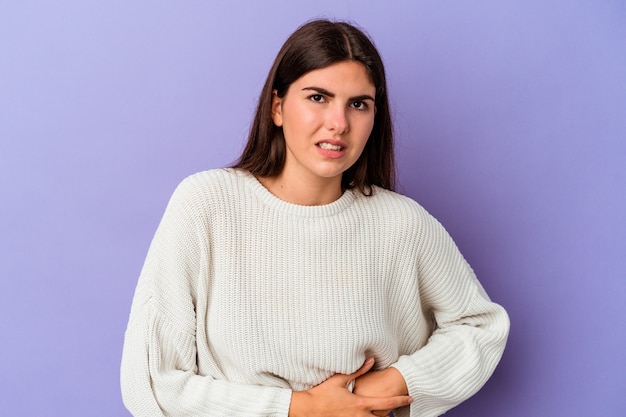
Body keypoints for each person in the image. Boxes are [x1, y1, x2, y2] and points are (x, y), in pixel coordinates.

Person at [120, 19, 510, 417]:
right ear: (277, 107)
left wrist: (396, 381)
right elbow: (152, 380)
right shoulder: (206, 204)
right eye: (318, 98)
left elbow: (481, 327)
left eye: (358, 104)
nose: (339, 123)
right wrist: (298, 408)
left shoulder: (402, 224)